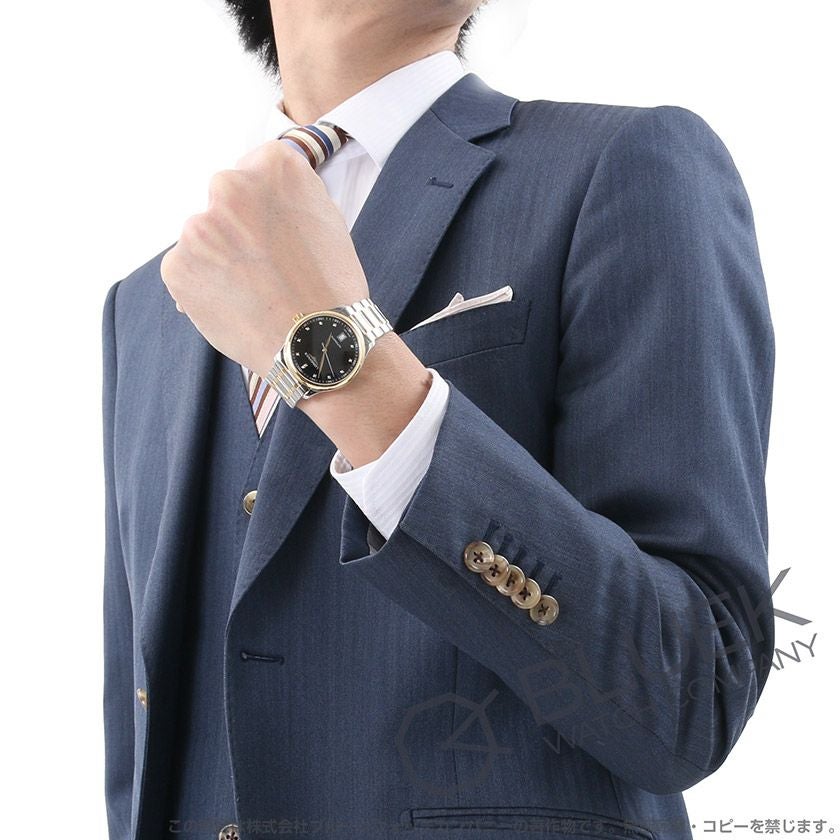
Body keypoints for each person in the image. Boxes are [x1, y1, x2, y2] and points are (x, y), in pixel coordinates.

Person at [101, 1, 776, 838]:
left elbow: (693, 692)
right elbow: (142, 738)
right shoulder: (145, 307)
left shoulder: (628, 164)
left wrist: (347, 361)